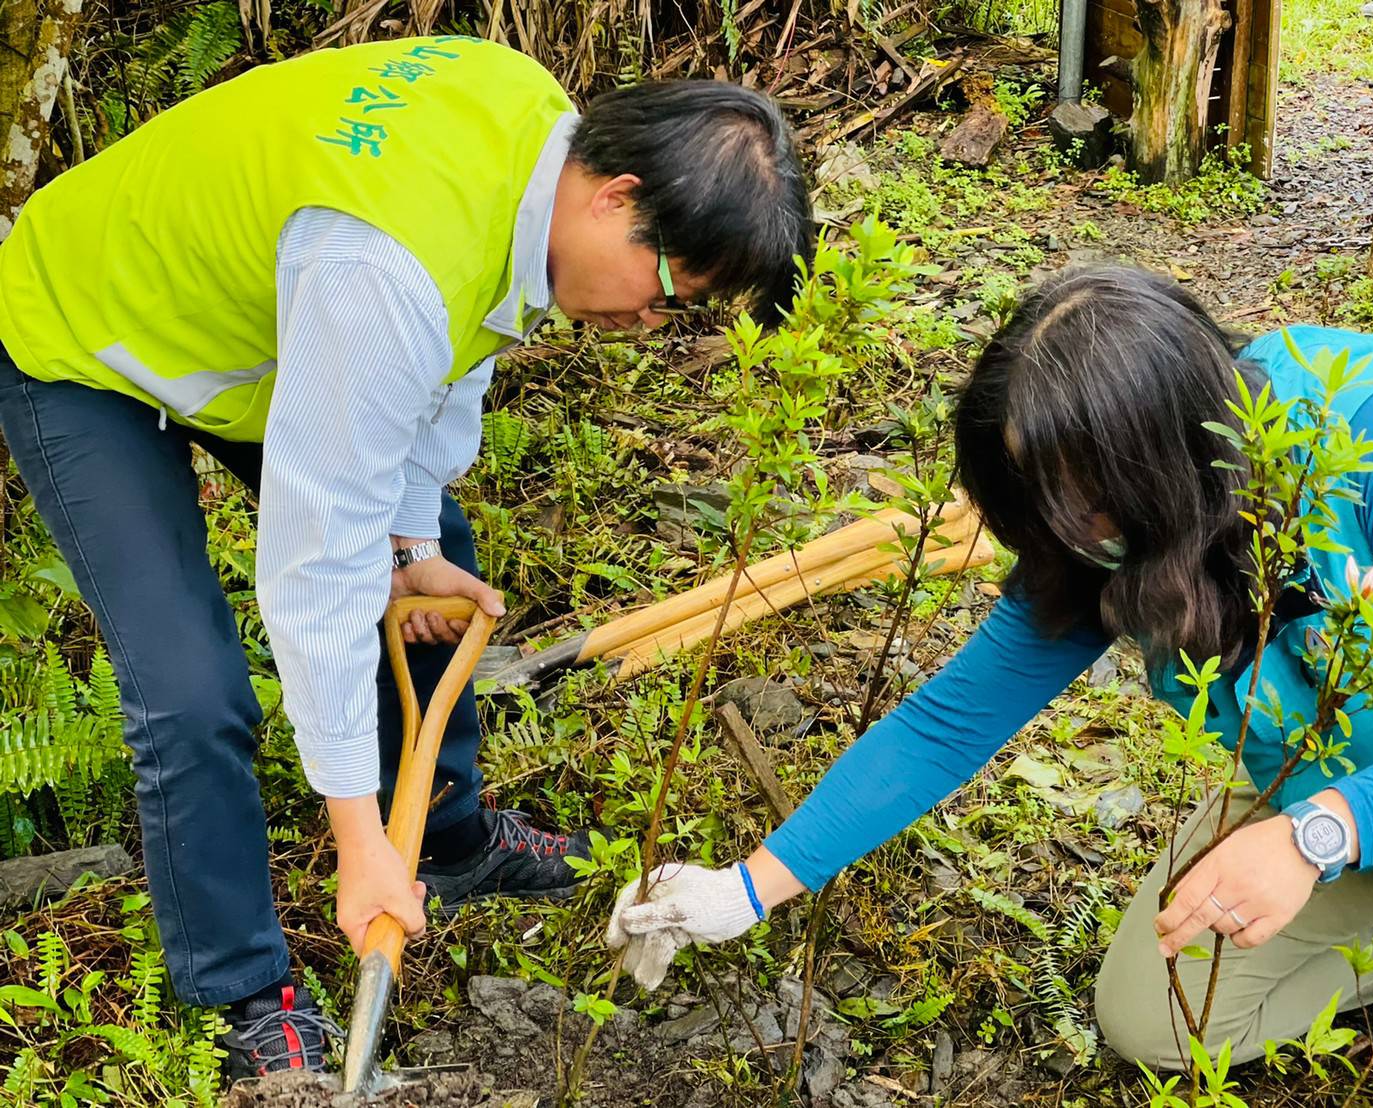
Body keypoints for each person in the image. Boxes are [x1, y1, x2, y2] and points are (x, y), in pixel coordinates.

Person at [0, 36, 811, 1078]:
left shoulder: (529, 132)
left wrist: (412, 541)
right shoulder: (381, 272)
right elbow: (316, 557)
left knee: (438, 556)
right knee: (190, 687)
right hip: (93, 336)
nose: (650, 322)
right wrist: (353, 837)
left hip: (256, 310)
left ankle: (449, 838)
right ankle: (244, 993)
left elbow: (462, 338)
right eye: (666, 291)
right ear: (615, 195)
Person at [606, 266, 1373, 1070]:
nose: (1071, 533)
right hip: (1321, 772)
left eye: (1090, 501)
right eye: (1042, 500)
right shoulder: (1101, 545)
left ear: (1166, 462)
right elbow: (947, 724)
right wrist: (744, 890)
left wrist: (1316, 836)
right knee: (1156, 1021)